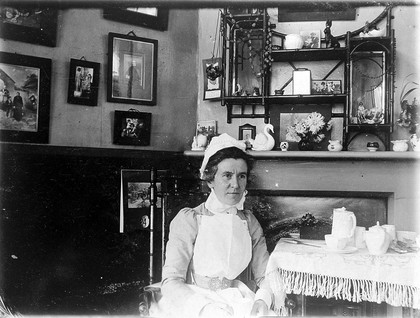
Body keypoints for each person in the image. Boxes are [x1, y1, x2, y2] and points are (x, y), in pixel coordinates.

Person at [158, 133, 274, 318]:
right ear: (210, 179)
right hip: (193, 302)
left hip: (237, 299)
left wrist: (263, 298)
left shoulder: (249, 222)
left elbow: (266, 274)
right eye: (227, 175)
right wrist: (204, 308)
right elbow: (171, 281)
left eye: (241, 176)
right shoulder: (190, 219)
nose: (235, 184)